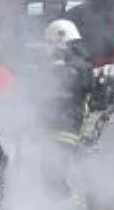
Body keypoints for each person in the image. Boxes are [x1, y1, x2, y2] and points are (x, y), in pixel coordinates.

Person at [37, 19, 95, 198]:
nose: (48, 50)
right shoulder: (72, 64)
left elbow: (69, 82)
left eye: (50, 45)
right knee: (50, 180)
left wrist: (51, 69)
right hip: (56, 131)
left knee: (55, 181)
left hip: (64, 132)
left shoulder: (76, 67)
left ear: (60, 42)